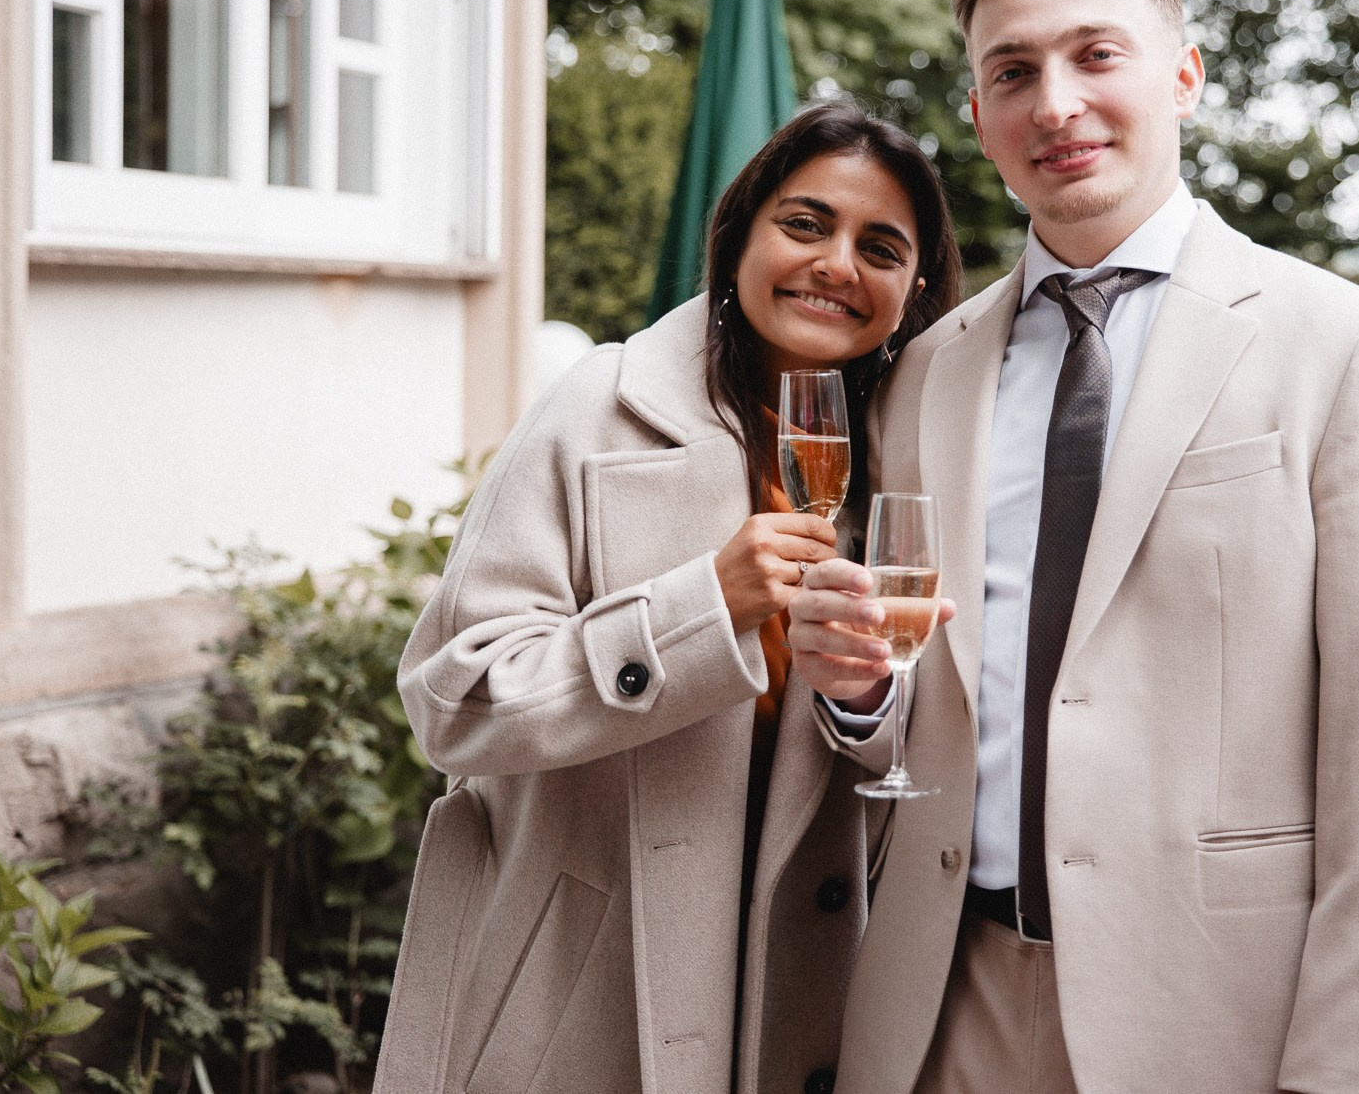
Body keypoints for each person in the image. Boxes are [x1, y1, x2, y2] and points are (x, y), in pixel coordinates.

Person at [787, 0, 1359, 1093]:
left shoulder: (1350, 349)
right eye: (1011, 72)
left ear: (1182, 75)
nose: (1054, 102)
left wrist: (1354, 1068)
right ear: (977, 117)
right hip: (935, 1007)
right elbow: (922, 699)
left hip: (1223, 1023)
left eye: (1094, 55)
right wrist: (857, 700)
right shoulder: (921, 371)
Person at [375, 101, 961, 1094]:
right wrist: (703, 605)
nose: (834, 263)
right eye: (805, 223)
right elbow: (454, 706)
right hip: (583, 993)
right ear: (738, 238)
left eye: (880, 246)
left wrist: (861, 697)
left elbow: (929, 746)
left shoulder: (919, 460)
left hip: (803, 998)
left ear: (910, 291)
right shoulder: (597, 410)